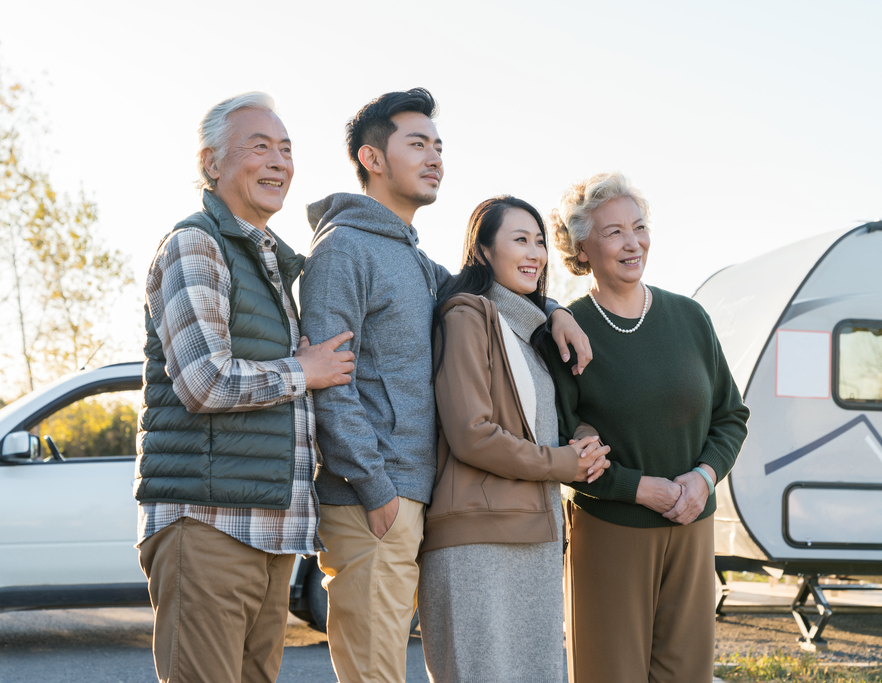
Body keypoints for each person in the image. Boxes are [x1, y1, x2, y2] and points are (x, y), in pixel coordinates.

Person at [299, 88, 592, 683]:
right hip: (373, 499)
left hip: (415, 498)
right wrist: (376, 488)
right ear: (372, 158)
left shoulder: (412, 259)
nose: (434, 157)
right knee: (375, 673)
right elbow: (329, 380)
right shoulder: (344, 250)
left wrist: (555, 307)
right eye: (417, 144)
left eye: (438, 146)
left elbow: (488, 284)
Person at [134, 92, 355, 683]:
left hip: (272, 535)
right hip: (208, 527)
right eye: (260, 147)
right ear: (211, 163)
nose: (279, 161)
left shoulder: (265, 260)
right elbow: (204, 382)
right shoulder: (195, 244)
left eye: (287, 149)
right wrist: (302, 372)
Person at [547, 172, 750, 683]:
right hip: (610, 532)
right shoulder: (569, 330)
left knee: (688, 675)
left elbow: (731, 416)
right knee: (608, 674)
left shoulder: (690, 318)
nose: (632, 242)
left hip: (692, 523)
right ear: (582, 248)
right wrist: (639, 488)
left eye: (638, 227)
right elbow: (559, 443)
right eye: (613, 232)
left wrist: (703, 478)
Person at [418, 196, 610, 683]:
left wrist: (582, 442)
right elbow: (472, 435)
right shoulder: (466, 315)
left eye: (540, 241)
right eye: (519, 240)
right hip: (477, 543)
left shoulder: (531, 330)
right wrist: (562, 464)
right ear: (482, 251)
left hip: (536, 537)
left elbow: (546, 423)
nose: (536, 253)